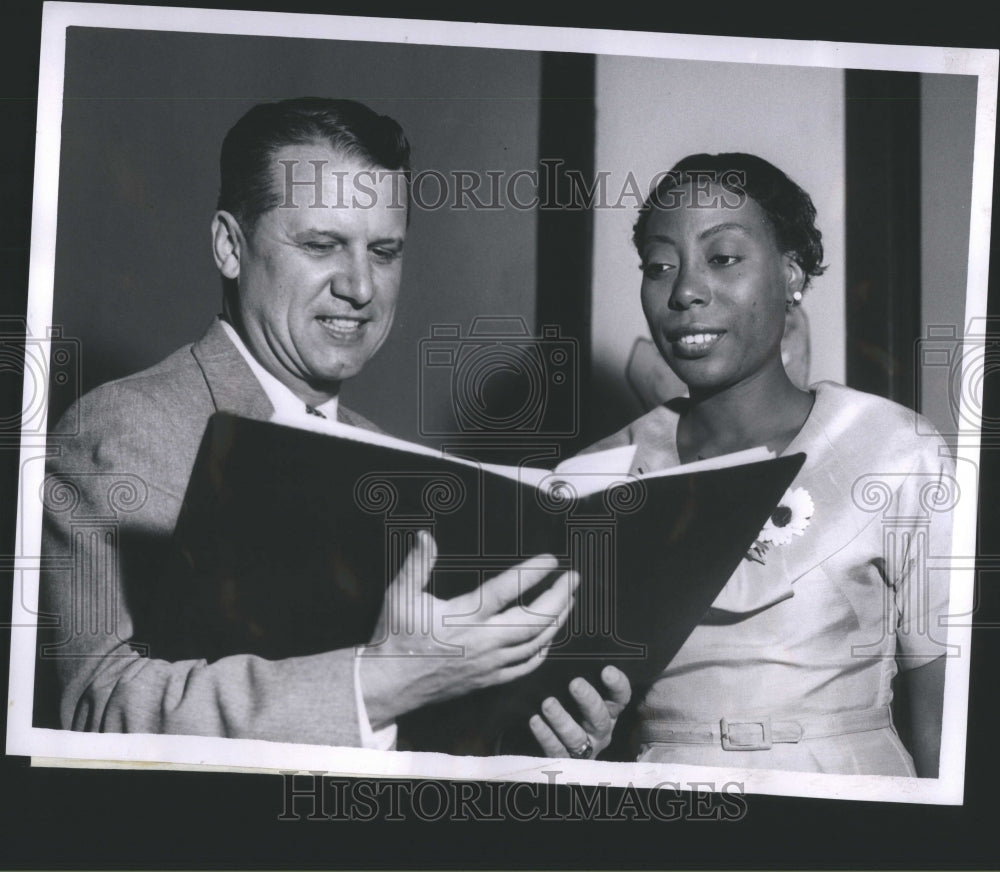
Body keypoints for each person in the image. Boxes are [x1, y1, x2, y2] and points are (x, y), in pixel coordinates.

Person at [38, 98, 629, 757]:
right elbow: (100, 712)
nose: (360, 287)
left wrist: (534, 730)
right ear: (230, 247)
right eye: (322, 245)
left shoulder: (389, 455)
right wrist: (381, 681)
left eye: (384, 251)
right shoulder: (124, 429)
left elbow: (414, 721)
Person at [583, 153, 953, 776]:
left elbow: (944, 725)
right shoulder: (602, 473)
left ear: (791, 274)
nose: (684, 291)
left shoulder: (898, 450)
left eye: (722, 258)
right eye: (659, 266)